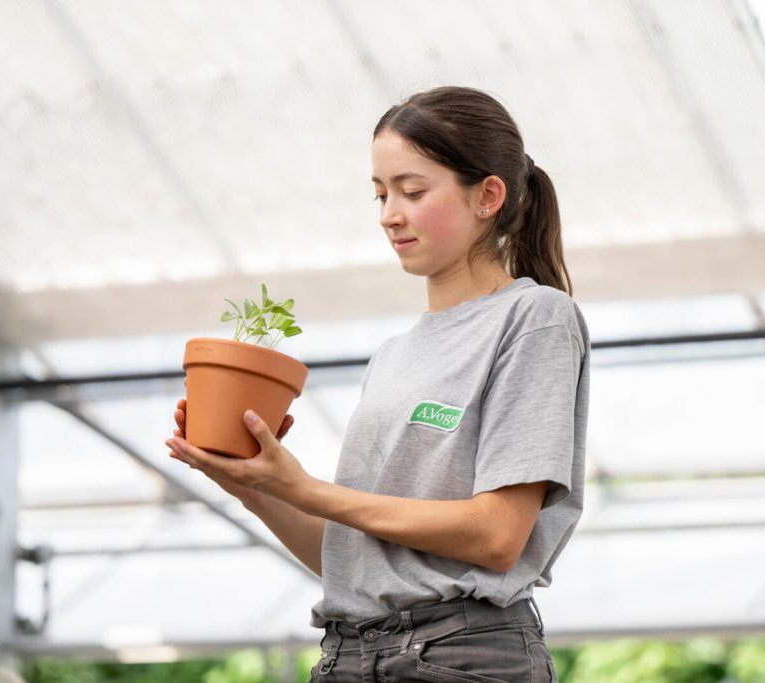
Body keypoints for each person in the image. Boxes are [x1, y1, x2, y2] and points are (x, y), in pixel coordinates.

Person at [166, 85, 590, 682]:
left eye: (413, 191)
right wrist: (256, 487)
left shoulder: (534, 317)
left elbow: (498, 535)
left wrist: (306, 488)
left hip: (460, 656)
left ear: (488, 196)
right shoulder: (392, 358)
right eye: (381, 194)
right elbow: (354, 563)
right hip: (348, 655)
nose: (390, 214)